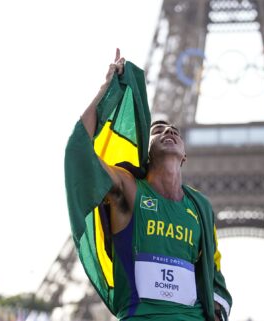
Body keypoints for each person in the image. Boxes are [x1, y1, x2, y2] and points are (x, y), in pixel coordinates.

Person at [65, 49, 232, 321]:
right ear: (146, 151)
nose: (169, 131)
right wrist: (106, 91)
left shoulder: (200, 207)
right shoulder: (128, 190)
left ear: (185, 156)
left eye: (175, 132)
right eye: (158, 130)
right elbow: (80, 152)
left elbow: (213, 270)